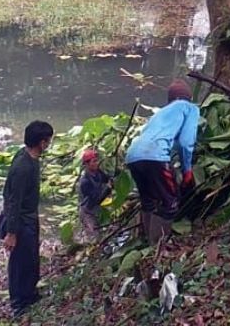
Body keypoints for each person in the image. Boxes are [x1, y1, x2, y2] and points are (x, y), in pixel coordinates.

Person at [125, 79, 199, 243]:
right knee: (170, 203)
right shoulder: (190, 108)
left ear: (170, 99)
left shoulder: (159, 113)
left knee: (148, 200)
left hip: (132, 156)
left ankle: (146, 242)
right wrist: (187, 170)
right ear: (189, 97)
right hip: (155, 157)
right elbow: (186, 143)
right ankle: (157, 247)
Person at [1, 120, 53, 316]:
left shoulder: (29, 157)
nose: (48, 144)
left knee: (31, 258)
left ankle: (29, 294)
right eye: (48, 141)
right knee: (20, 262)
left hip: (29, 217)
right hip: (21, 221)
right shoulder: (23, 167)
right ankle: (18, 303)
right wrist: (11, 232)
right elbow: (14, 201)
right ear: (41, 142)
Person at [76, 147, 113, 241]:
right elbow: (96, 200)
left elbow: (108, 178)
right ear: (87, 164)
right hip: (87, 212)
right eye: (94, 161)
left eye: (96, 161)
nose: (96, 163)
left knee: (103, 234)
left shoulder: (98, 173)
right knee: (94, 238)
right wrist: (108, 189)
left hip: (97, 210)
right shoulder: (85, 182)